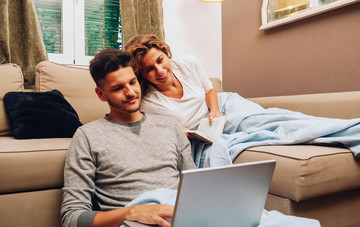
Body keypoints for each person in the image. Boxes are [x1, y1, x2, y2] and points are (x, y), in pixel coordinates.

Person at [61, 48, 326, 227]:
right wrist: (132, 213)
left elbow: (194, 184)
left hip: (187, 219)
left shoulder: (168, 127)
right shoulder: (87, 136)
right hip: (133, 226)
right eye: (118, 88)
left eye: (132, 82)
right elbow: (72, 221)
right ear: (101, 93)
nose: (131, 92)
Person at [125, 34, 360, 168]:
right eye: (148, 69)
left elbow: (209, 90)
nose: (159, 70)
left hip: (224, 107)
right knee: (267, 135)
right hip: (201, 133)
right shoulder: (146, 101)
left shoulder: (187, 63)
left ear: (166, 54)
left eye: (160, 60)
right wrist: (183, 130)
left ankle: (354, 132)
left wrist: (215, 111)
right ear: (142, 74)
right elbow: (158, 128)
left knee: (274, 119)